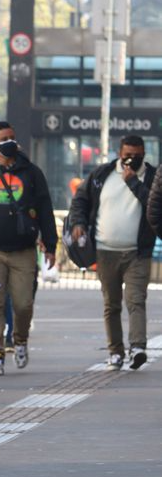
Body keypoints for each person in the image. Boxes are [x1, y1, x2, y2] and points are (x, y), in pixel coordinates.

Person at [0, 121, 57, 376]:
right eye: (4, 138)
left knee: (23, 304)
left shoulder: (31, 173)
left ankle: (20, 340)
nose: (10, 142)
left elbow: (45, 209)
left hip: (24, 249)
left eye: (13, 137)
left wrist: (50, 245)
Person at [68, 135, 155, 371]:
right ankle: (115, 351)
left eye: (137, 156)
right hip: (106, 251)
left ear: (144, 154)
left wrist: (133, 182)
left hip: (137, 251)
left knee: (136, 300)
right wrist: (77, 223)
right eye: (128, 155)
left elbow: (154, 207)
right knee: (111, 303)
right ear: (119, 153)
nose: (132, 160)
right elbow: (81, 201)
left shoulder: (152, 177)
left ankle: (137, 347)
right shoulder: (101, 174)